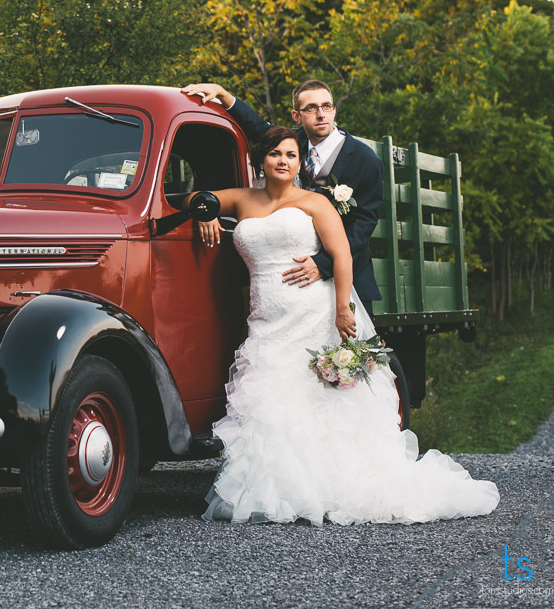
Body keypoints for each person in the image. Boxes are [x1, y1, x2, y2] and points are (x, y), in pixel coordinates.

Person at [186, 126, 499, 525]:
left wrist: (342, 310)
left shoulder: (314, 202)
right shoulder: (243, 199)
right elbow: (196, 198)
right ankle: (280, 486)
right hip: (266, 316)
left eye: (291, 155)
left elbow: (342, 255)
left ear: (300, 162)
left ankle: (329, 484)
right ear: (260, 160)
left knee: (319, 398)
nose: (283, 161)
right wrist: (207, 213)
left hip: (312, 311)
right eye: (275, 154)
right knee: (272, 393)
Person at [182, 81, 382, 317]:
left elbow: (363, 226)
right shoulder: (290, 144)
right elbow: (257, 127)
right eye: (311, 108)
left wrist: (323, 264)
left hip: (347, 280)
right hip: (285, 285)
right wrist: (224, 95)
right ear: (297, 116)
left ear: (334, 110)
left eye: (326, 106)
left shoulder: (365, 159)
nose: (321, 114)